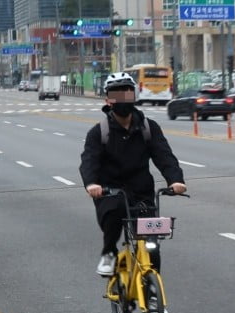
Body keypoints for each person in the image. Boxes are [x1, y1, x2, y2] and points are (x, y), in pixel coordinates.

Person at [79, 72, 186, 276]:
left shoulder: (148, 128)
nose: (122, 98)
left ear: (134, 95)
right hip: (109, 192)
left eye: (127, 92)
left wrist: (176, 180)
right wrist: (92, 184)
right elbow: (89, 160)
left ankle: (153, 296)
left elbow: (164, 156)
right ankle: (109, 254)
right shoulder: (99, 132)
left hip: (142, 192)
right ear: (108, 99)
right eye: (116, 93)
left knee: (152, 246)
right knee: (115, 212)